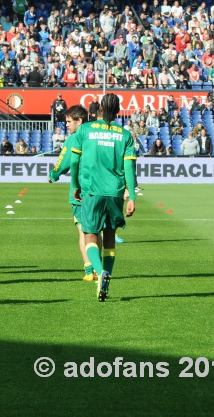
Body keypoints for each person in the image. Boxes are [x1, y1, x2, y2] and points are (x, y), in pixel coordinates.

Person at [70, 93, 136, 302]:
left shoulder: (85, 130)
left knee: (89, 236)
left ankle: (100, 272)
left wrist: (75, 185)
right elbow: (129, 167)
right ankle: (105, 279)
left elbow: (73, 161)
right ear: (117, 111)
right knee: (109, 240)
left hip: (92, 191)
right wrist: (132, 196)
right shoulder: (125, 136)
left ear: (98, 110)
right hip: (115, 193)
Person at [49, 105, 97, 281]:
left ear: (80, 121)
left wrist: (53, 175)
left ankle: (89, 270)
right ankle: (99, 268)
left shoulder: (73, 139)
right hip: (98, 190)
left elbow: (63, 162)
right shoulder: (95, 136)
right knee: (95, 231)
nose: (66, 125)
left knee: (83, 232)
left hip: (80, 192)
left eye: (69, 121)